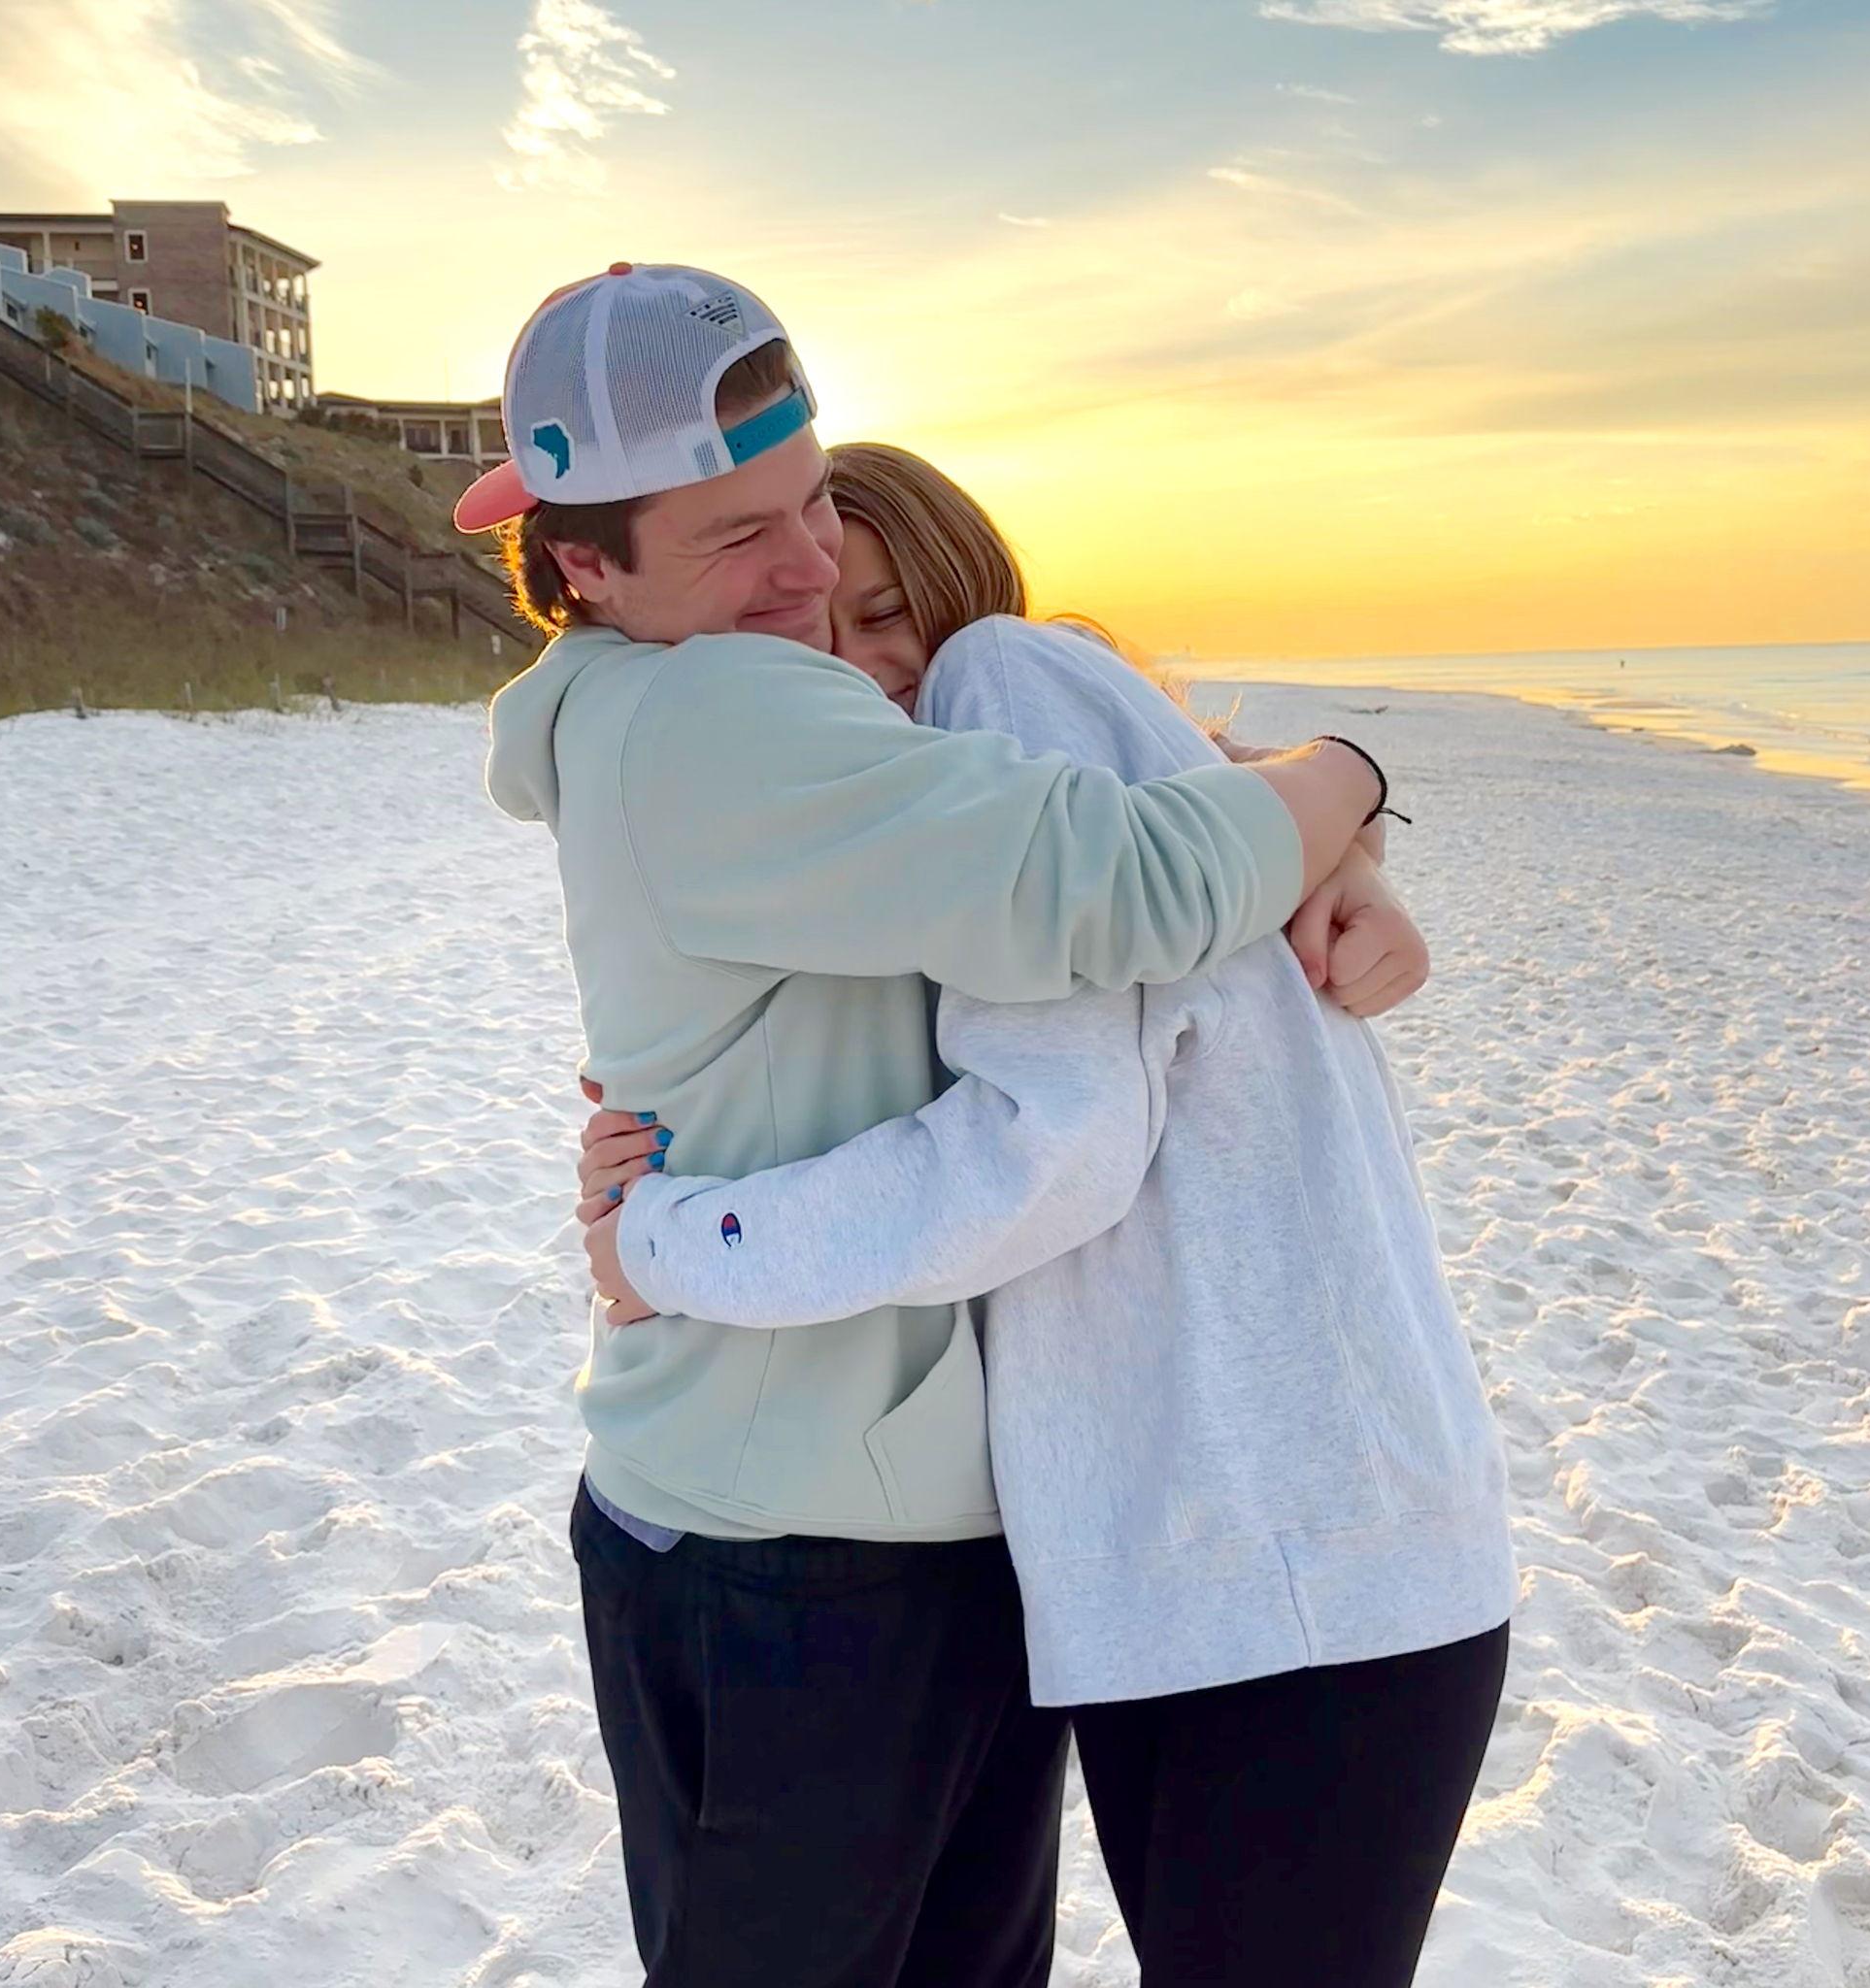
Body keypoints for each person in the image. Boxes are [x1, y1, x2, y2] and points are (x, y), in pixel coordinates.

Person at [463, 264, 1405, 1988]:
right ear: (582, 567)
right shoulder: (719, 715)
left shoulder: (714, 710)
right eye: (736, 537)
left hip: (882, 1512)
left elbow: (1087, 812)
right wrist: (1352, 775)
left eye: (812, 497)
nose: (810, 573)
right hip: (792, 1540)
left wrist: (1342, 874)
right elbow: (1123, 876)